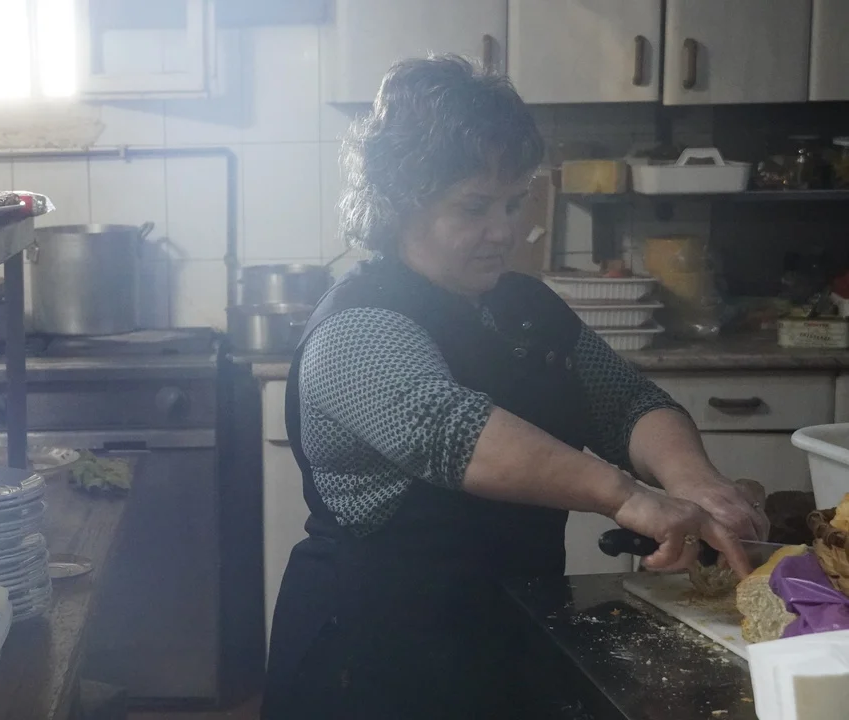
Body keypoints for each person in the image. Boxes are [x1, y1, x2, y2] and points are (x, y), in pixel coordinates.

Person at [261, 56, 768, 719]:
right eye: (474, 207)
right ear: (400, 200)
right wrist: (630, 498)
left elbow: (628, 402)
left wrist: (694, 481)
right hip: (375, 656)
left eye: (513, 202)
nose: (505, 230)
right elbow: (454, 433)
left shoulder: (522, 304)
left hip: (510, 631)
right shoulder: (357, 327)